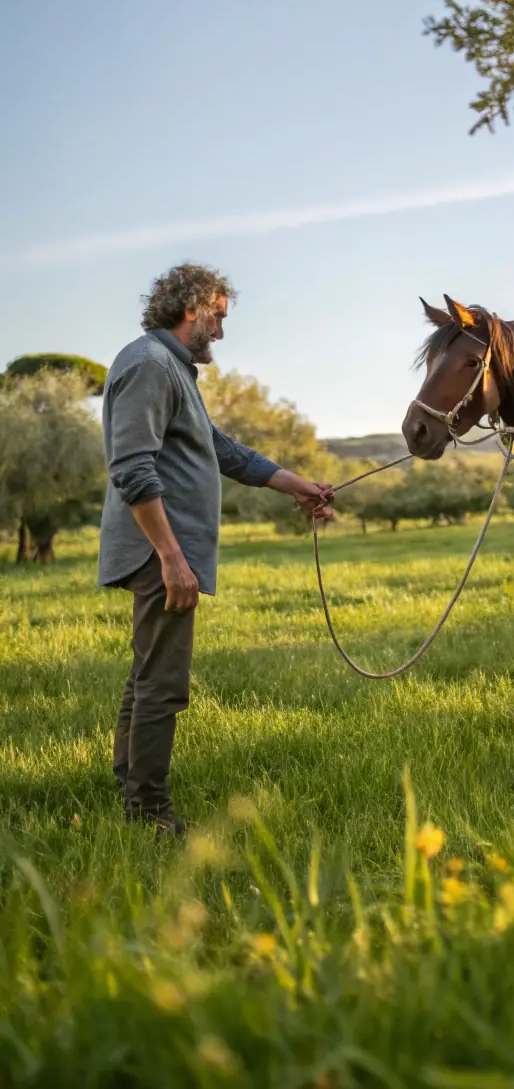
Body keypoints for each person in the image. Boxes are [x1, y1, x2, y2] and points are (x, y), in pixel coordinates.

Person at [98, 264, 334, 836]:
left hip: (166, 550)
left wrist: (296, 484)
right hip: (162, 553)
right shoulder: (151, 366)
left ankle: (129, 781)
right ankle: (149, 812)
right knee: (163, 681)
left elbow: (222, 450)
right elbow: (132, 468)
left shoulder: (171, 368)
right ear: (194, 308)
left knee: (147, 671)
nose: (221, 334)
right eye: (219, 318)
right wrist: (172, 558)